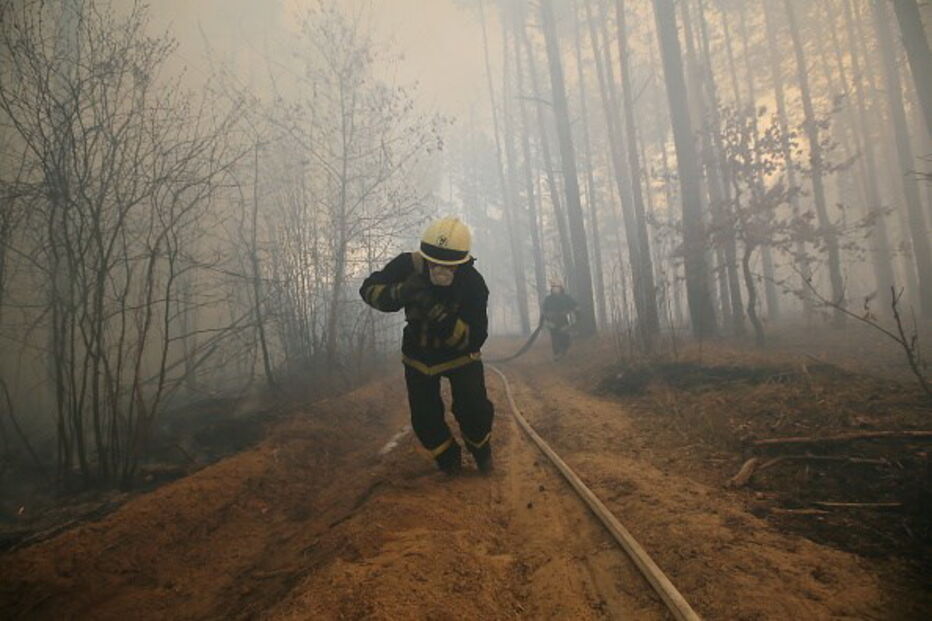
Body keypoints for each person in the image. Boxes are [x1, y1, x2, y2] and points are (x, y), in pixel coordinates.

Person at [359, 217, 494, 475]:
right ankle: (450, 464)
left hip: (460, 358)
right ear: (424, 257)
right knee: (425, 420)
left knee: (474, 412)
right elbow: (368, 290)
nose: (440, 271)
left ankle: (482, 455)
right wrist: (401, 292)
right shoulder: (407, 266)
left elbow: (475, 338)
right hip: (418, 356)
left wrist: (436, 312)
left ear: (462, 263)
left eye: (449, 267)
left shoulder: (474, 284)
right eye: (435, 264)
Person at [541, 283, 578, 359]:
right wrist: (547, 319)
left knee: (565, 336)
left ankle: (564, 350)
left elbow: (574, 305)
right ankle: (557, 353)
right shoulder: (548, 299)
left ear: (561, 288)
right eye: (554, 288)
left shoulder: (566, 297)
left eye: (557, 287)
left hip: (563, 320)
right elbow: (544, 310)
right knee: (555, 337)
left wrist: (573, 311)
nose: (556, 289)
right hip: (552, 321)